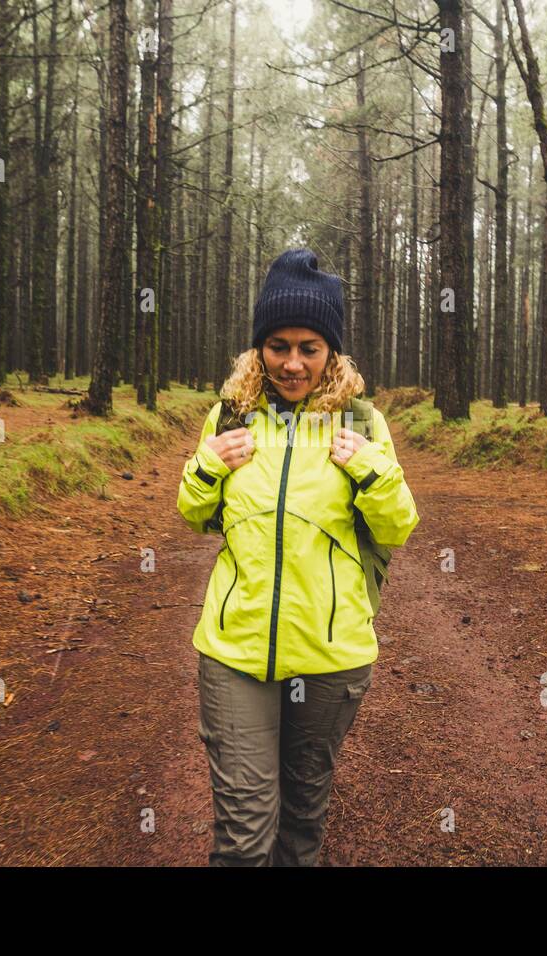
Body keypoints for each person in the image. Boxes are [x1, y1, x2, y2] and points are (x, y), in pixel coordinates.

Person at [176, 247, 420, 866]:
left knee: (303, 820)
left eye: (309, 347)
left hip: (330, 657)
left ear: (331, 353)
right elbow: (195, 513)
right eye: (278, 345)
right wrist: (206, 466)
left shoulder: (361, 423)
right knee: (243, 830)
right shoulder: (230, 415)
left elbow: (397, 527)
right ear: (258, 347)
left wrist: (368, 468)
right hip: (236, 652)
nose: (291, 363)